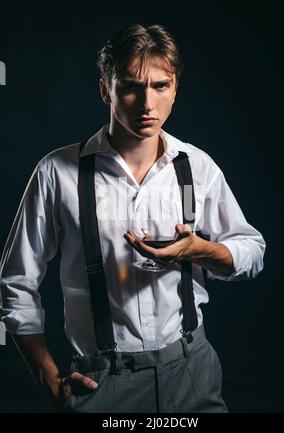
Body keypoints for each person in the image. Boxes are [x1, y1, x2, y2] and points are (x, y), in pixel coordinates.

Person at [0, 23, 265, 413]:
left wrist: (200, 250)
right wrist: (47, 375)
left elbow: (252, 251)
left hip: (193, 371)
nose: (147, 103)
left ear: (175, 89)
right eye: (130, 86)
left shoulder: (196, 167)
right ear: (106, 89)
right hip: (103, 382)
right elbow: (16, 284)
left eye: (161, 85)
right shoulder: (57, 172)